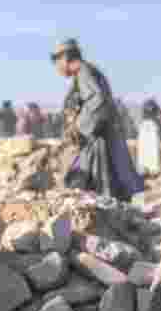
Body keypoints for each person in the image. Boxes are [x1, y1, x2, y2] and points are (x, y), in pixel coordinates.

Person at [54, 38, 143, 202]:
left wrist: (78, 128)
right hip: (96, 139)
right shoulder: (84, 73)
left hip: (96, 141)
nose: (57, 67)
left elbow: (97, 101)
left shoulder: (84, 72)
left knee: (92, 189)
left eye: (57, 61)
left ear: (66, 58)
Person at [136, 99, 161, 176]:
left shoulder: (144, 123)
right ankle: (151, 170)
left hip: (145, 128)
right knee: (150, 150)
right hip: (150, 128)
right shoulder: (153, 123)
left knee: (146, 150)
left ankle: (146, 169)